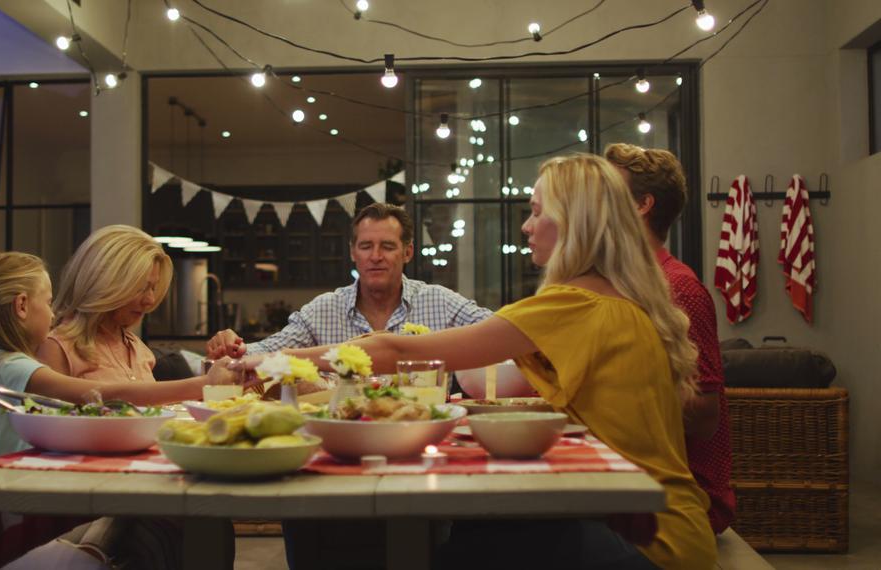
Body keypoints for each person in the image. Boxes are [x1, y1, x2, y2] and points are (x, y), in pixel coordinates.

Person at [245, 154, 717, 569]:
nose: (526, 226)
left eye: (536, 212)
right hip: (667, 526)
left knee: (448, 548)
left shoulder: (574, 304)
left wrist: (271, 361)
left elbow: (393, 350)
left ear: (576, 222)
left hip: (650, 544)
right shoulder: (617, 297)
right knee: (471, 532)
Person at [0, 251, 236, 569]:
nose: (53, 315)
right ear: (21, 306)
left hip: (30, 504)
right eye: (48, 303)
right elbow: (106, 394)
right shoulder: (14, 366)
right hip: (26, 514)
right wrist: (201, 384)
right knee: (174, 521)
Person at [604, 142, 735, 534]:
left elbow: (702, 416)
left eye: (608, 193)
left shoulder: (678, 287)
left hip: (679, 497)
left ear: (642, 205)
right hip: (634, 479)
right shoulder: (619, 282)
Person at [205, 203, 492, 359]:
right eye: (366, 246)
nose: (375, 256)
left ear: (407, 253)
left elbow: (499, 330)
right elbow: (270, 350)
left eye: (388, 247)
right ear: (353, 252)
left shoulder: (440, 302)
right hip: (344, 437)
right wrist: (233, 347)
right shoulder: (324, 309)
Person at [37, 224, 205, 402]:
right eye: (141, 288)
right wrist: (206, 384)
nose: (150, 300)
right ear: (105, 284)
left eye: (153, 288)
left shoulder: (136, 347)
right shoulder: (57, 348)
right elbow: (47, 423)